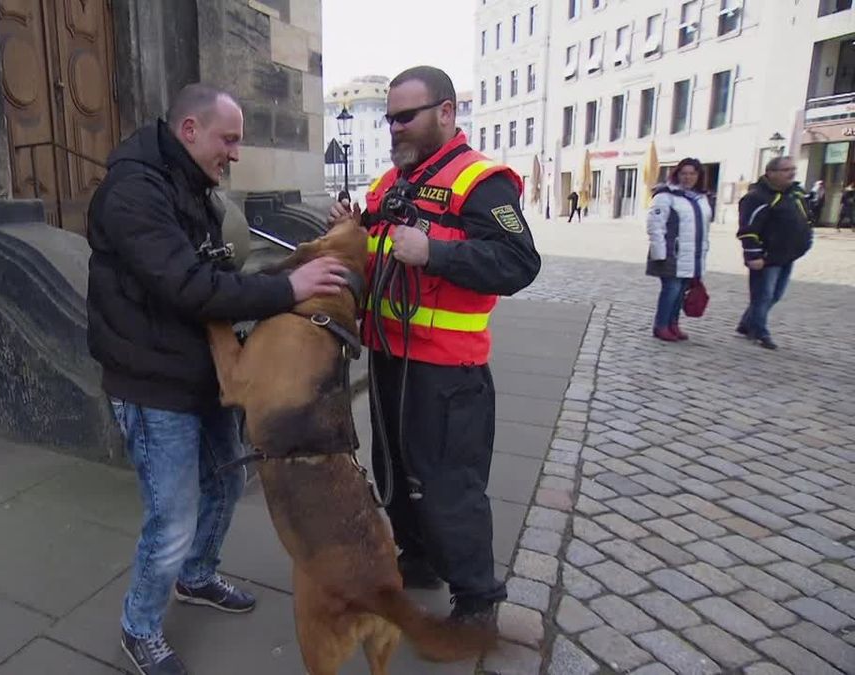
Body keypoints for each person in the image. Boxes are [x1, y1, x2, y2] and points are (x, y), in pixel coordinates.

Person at [86, 83, 350, 675]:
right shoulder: (133, 191)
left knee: (227, 486)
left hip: (203, 373)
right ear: (189, 131)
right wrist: (289, 289)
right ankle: (140, 626)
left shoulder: (191, 184)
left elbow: (220, 268)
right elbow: (187, 286)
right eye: (228, 139)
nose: (234, 153)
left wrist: (285, 274)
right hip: (152, 382)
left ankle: (197, 577)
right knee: (172, 515)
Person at [328, 66, 541, 627]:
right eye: (390, 117)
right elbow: (374, 240)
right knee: (394, 469)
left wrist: (436, 253)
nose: (394, 126)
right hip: (389, 359)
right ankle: (418, 557)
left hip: (447, 370)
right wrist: (352, 228)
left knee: (450, 485)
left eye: (406, 116)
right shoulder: (389, 183)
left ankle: (476, 600)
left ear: (446, 113)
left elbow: (520, 263)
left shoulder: (481, 181)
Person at [735, 157, 813, 350]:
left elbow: (806, 217)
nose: (791, 173)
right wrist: (753, 255)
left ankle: (747, 323)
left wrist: (807, 238)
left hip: (788, 254)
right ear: (771, 173)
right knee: (763, 295)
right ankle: (759, 331)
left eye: (792, 169)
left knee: (775, 294)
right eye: (786, 170)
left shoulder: (795, 193)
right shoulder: (757, 197)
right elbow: (748, 228)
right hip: (767, 255)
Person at [645, 158, 712, 342]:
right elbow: (655, 225)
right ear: (677, 174)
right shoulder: (665, 196)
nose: (688, 177)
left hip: (692, 254)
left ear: (698, 176)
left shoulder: (700, 198)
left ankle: (673, 324)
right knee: (671, 290)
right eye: (684, 173)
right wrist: (659, 252)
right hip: (671, 252)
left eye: (692, 174)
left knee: (681, 290)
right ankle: (661, 326)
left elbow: (704, 227)